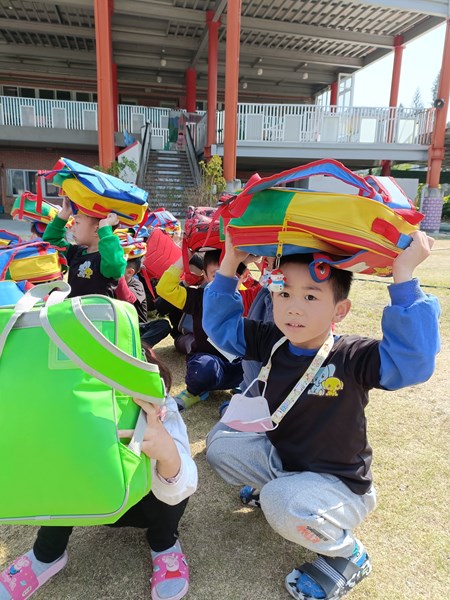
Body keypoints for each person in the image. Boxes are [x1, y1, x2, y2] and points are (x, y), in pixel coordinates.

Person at [202, 230, 440, 600]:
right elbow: (220, 328)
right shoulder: (273, 340)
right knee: (219, 446)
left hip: (340, 484)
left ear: (339, 310)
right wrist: (231, 262)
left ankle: (349, 555)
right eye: (284, 294)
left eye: (311, 296)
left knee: (282, 503)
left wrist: (405, 278)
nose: (293, 307)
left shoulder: (354, 357)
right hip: (287, 463)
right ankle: (285, 492)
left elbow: (413, 362)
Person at [0, 348, 198, 600]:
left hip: (146, 504)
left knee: (175, 469)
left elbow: (183, 484)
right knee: (60, 471)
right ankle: (46, 554)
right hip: (93, 503)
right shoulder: (69, 410)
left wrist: (167, 453)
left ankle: (164, 544)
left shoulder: (159, 408)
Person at [156, 250, 244, 410]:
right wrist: (186, 255)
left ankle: (245, 389)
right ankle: (195, 391)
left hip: (239, 366)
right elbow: (164, 289)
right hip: (208, 362)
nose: (223, 280)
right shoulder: (198, 297)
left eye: (230, 272)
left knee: (260, 364)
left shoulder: (248, 294)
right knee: (203, 368)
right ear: (205, 275)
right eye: (216, 274)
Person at [43, 197, 126, 298]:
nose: (72, 229)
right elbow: (51, 242)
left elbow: (115, 268)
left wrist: (105, 229)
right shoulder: (76, 252)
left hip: (97, 312)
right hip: (74, 311)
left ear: (97, 230)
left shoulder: (106, 258)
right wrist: (65, 212)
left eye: (77, 223)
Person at [116, 255, 171, 348]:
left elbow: (126, 299)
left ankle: (139, 347)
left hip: (135, 328)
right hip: (113, 325)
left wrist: (119, 274)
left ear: (129, 272)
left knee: (163, 325)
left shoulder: (136, 285)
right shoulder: (108, 283)